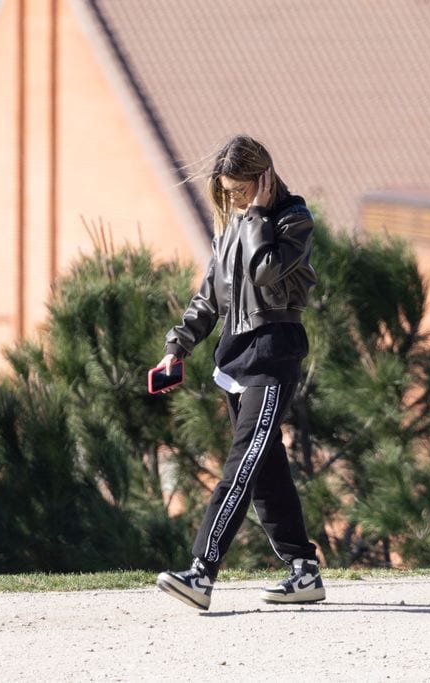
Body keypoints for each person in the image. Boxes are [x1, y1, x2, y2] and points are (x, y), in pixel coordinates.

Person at [155, 134, 325, 610]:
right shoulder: (232, 227)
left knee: (242, 465)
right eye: (228, 192)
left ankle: (201, 573)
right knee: (266, 470)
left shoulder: (293, 220)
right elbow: (210, 298)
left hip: (273, 358)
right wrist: (177, 347)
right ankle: (304, 570)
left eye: (241, 190)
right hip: (237, 362)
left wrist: (254, 218)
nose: (234, 199)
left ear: (264, 177)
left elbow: (268, 272)